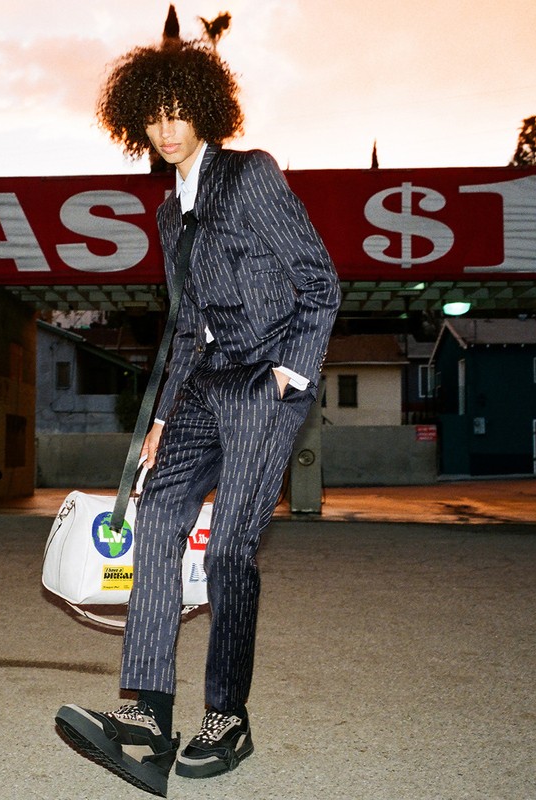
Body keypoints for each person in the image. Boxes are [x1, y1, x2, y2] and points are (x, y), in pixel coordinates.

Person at [56, 38, 340, 797]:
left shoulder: (251, 176)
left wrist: (290, 375)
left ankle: (226, 717)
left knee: (229, 552)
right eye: (154, 117)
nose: (168, 129)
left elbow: (320, 282)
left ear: (205, 112)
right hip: (201, 386)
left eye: (180, 113)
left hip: (263, 383)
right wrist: (158, 419)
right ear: (136, 125)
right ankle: (148, 718)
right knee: (155, 519)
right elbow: (186, 325)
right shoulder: (167, 214)